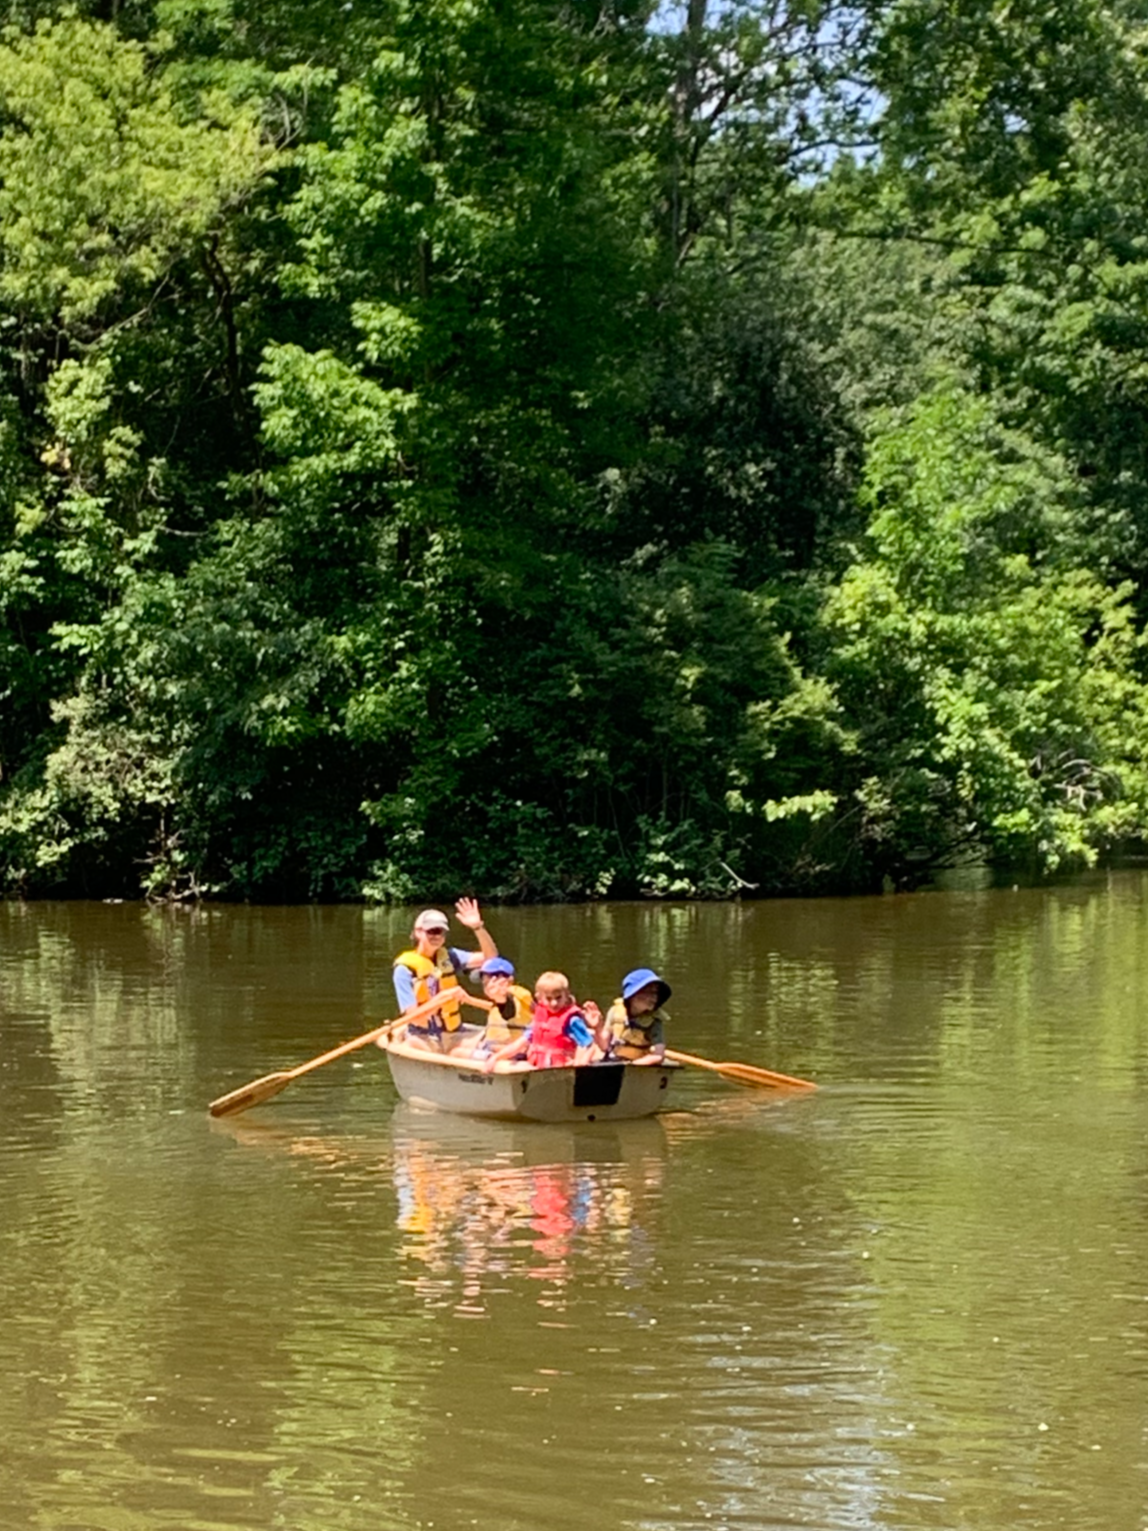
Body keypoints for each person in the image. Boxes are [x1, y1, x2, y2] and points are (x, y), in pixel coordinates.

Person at [392, 899, 497, 1051]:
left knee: (497, 1041)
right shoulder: (404, 970)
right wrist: (443, 997)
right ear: (418, 932)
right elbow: (414, 1017)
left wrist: (478, 928)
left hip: (453, 1034)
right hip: (423, 1036)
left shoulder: (451, 957)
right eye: (431, 931)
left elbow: (492, 958)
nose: (436, 936)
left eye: (440, 932)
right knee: (413, 1045)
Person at [482, 970, 608, 1071]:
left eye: (558, 998)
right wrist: (496, 1057)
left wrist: (579, 1066)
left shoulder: (571, 1020)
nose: (554, 1003)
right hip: (540, 1070)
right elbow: (520, 1043)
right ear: (539, 998)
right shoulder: (539, 1018)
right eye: (548, 998)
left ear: (566, 995)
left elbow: (588, 1045)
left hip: (562, 1071)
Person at [602, 967, 671, 1064]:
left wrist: (632, 1065)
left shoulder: (655, 1021)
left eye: (655, 993)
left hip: (639, 1064)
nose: (653, 998)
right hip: (613, 1060)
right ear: (632, 995)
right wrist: (596, 1026)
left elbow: (658, 1055)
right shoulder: (615, 1012)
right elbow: (603, 1046)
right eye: (648, 992)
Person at [474, 956, 534, 1050]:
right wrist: (468, 999)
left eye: (486, 980)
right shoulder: (518, 996)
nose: (484, 984)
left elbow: (508, 1010)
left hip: (510, 1052)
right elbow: (496, 1008)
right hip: (507, 1048)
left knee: (456, 1051)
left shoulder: (511, 999)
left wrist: (499, 997)